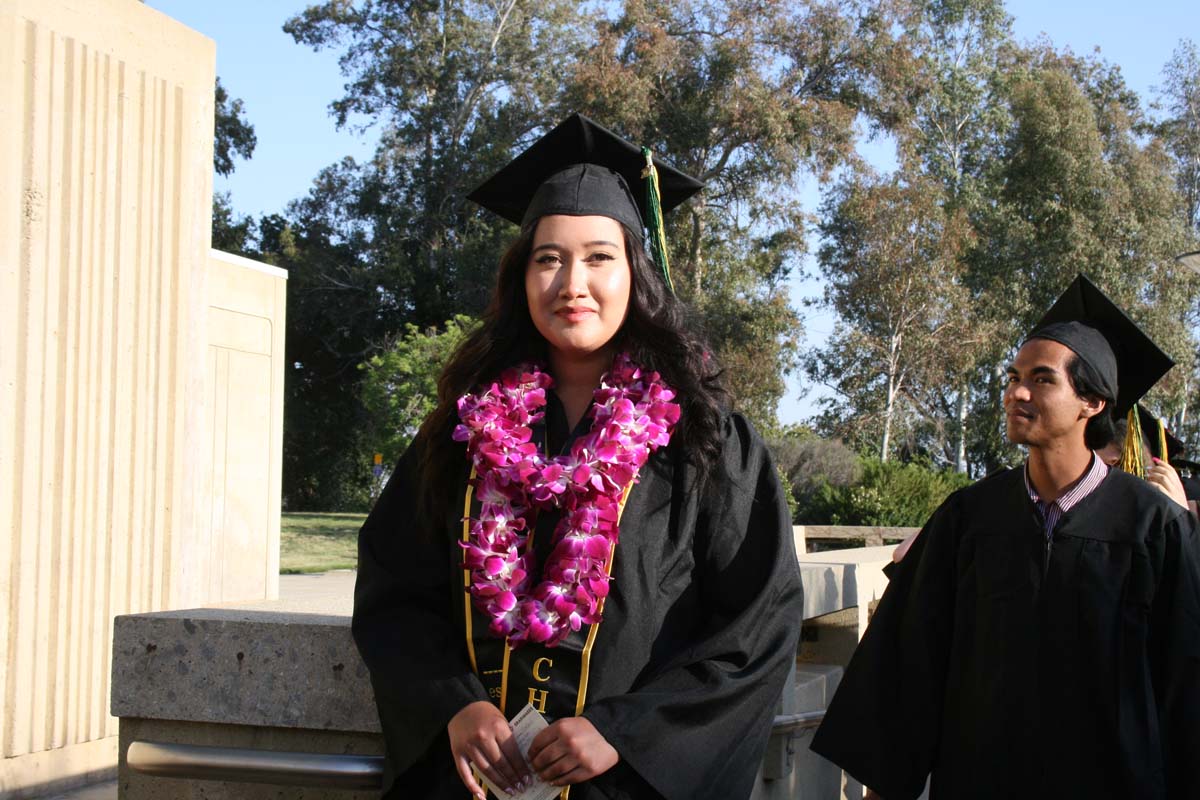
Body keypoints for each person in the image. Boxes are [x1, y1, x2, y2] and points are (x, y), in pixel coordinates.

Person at [352, 114, 805, 800]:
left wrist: (625, 733)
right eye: (547, 257)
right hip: (477, 784)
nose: (571, 282)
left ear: (635, 273)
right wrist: (454, 704)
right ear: (520, 276)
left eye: (598, 257)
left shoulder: (705, 440)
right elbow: (394, 595)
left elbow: (755, 627)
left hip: (622, 786)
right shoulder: (462, 435)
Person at [810, 274, 1200, 799]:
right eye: (1013, 376)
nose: (1016, 391)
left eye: (1041, 379)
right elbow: (910, 662)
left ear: (1092, 403)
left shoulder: (1152, 526)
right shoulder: (969, 518)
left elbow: (1185, 687)